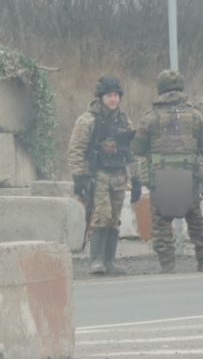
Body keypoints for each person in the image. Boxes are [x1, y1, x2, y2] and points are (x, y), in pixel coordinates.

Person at [130, 69, 203, 273]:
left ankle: (167, 266)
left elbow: (137, 149)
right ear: (182, 87)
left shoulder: (150, 117)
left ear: (160, 89)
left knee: (162, 224)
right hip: (189, 178)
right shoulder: (197, 116)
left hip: (160, 179)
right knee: (196, 220)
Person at [68, 75, 141, 275]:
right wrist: (78, 177)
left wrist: (136, 179)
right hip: (97, 174)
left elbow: (133, 152)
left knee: (115, 218)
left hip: (119, 176)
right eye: (109, 95)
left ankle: (109, 261)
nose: (113, 99)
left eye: (116, 95)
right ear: (101, 97)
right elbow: (76, 149)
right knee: (101, 216)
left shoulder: (125, 121)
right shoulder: (88, 120)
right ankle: (95, 261)